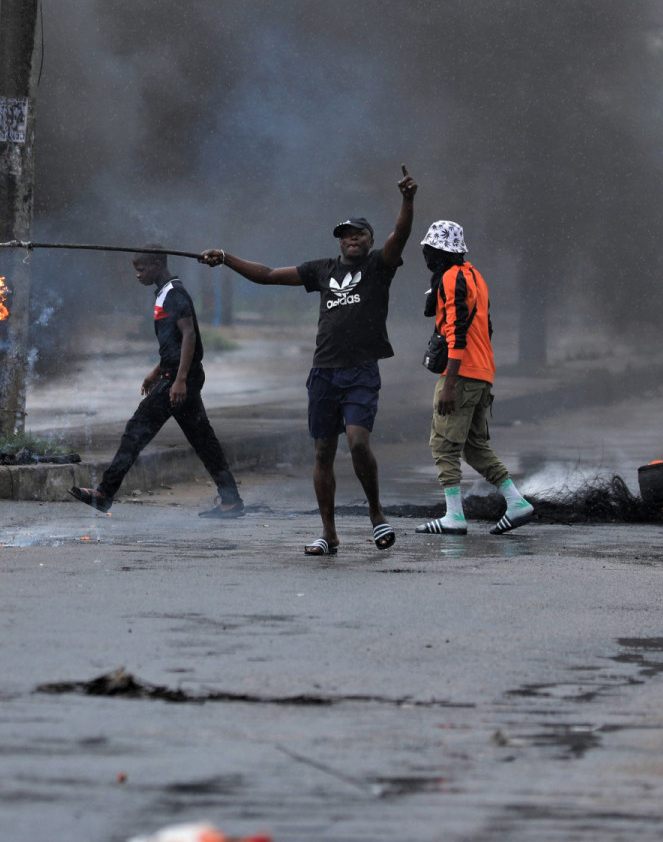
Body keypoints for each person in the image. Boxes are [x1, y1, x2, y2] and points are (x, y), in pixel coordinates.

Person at [203, 165, 417, 555]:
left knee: (356, 442)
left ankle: (375, 514)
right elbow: (267, 275)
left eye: (359, 234)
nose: (352, 239)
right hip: (324, 372)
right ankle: (329, 533)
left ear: (369, 240)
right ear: (338, 243)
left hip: (361, 371)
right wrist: (225, 257)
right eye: (346, 236)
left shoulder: (378, 267)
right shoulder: (321, 270)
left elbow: (400, 235)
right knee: (322, 452)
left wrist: (407, 199)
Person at [70, 250, 244, 517]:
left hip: (179, 378)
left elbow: (189, 337)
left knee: (135, 431)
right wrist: (156, 371)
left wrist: (179, 381)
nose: (138, 275)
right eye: (136, 270)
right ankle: (231, 501)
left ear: (158, 265)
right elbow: (173, 344)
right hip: (175, 374)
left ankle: (104, 493)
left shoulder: (174, 293)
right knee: (204, 441)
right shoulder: (164, 293)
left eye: (142, 269)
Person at [414, 220, 535, 535]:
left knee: (443, 444)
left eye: (429, 249)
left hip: (462, 373)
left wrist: (450, 384)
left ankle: (454, 517)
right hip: (482, 372)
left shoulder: (453, 278)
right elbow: (484, 325)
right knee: (473, 446)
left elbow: (456, 331)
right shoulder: (474, 275)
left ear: (440, 250)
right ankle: (517, 503)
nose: (425, 254)